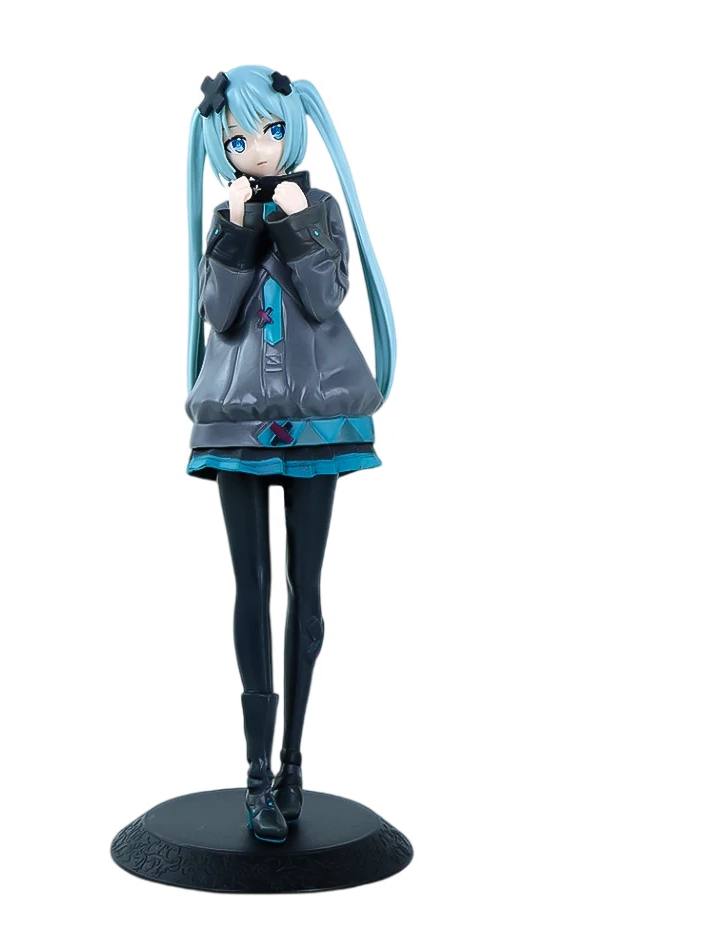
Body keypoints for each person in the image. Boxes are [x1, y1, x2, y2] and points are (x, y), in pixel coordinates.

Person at [185, 65, 397, 843]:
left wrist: (300, 224)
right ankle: (254, 777)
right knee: (252, 588)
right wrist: (241, 228)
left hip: (315, 422)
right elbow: (217, 313)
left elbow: (325, 297)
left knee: (306, 589)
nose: (258, 148)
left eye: (270, 131)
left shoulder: (323, 209)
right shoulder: (224, 217)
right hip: (239, 423)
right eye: (239, 138)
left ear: (294, 129)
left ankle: (293, 764)